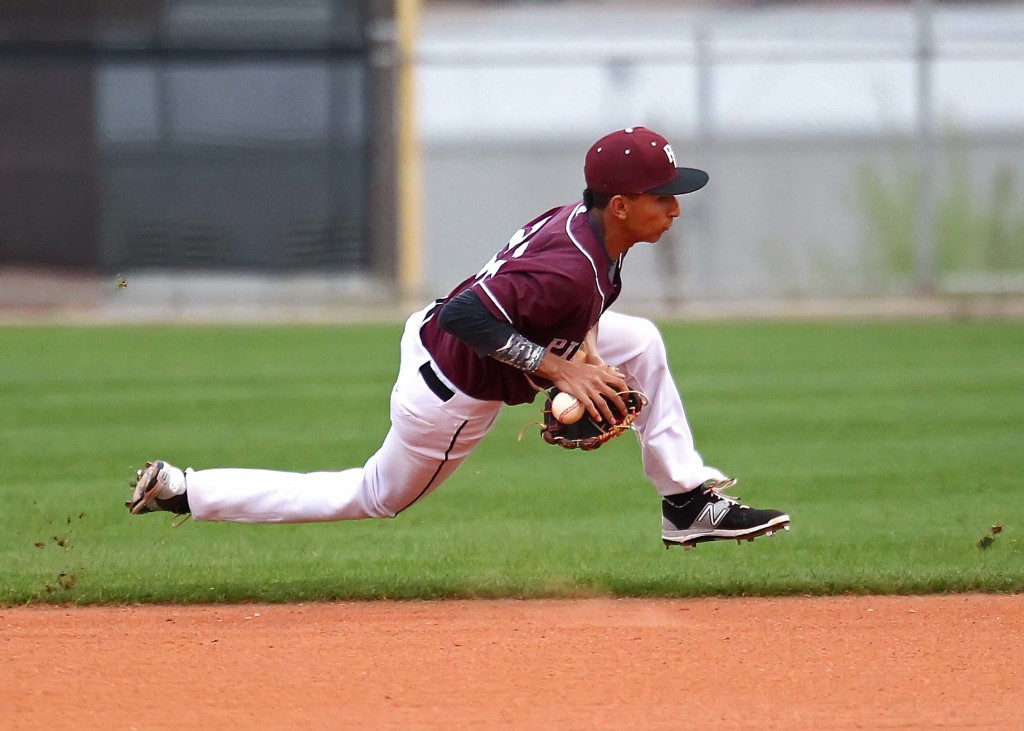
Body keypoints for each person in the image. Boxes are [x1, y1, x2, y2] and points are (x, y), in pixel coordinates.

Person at [126, 126, 790, 549]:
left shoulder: (589, 229)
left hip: (435, 336)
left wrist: (584, 349)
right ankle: (185, 489)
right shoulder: (570, 264)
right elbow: (468, 315)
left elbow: (570, 301)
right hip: (448, 392)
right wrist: (560, 372)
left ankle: (685, 499)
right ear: (618, 205)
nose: (674, 206)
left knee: (638, 342)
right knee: (373, 496)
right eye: (661, 196)